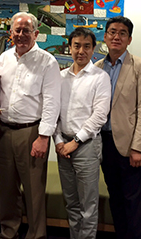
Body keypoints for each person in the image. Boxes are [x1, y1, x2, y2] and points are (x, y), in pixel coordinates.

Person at [0, 12, 61, 239]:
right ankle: (8, 232)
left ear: (36, 34)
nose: (21, 35)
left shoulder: (47, 61)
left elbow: (53, 102)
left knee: (33, 190)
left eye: (26, 30)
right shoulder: (3, 58)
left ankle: (36, 235)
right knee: (7, 189)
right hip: (4, 132)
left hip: (32, 132)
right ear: (11, 32)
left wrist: (43, 137)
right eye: (17, 30)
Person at [95, 16, 141, 239]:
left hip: (130, 146)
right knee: (115, 197)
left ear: (129, 39)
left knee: (133, 201)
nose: (116, 36)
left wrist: (139, 147)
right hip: (104, 143)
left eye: (122, 33)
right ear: (105, 36)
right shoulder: (98, 67)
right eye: (112, 32)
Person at [54, 27, 111, 239]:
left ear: (93, 49)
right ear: (69, 48)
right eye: (76, 46)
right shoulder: (59, 77)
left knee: (88, 205)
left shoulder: (100, 77)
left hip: (86, 146)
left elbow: (99, 116)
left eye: (86, 46)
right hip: (63, 147)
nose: (81, 51)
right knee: (71, 202)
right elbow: (54, 113)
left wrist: (75, 141)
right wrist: (59, 140)